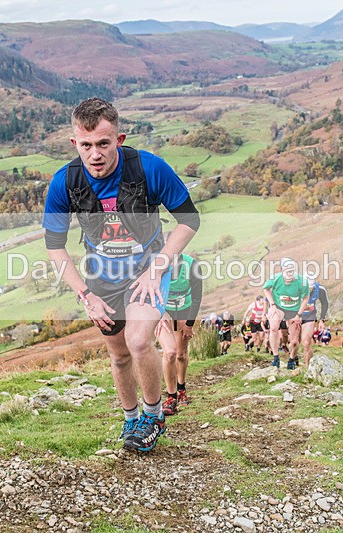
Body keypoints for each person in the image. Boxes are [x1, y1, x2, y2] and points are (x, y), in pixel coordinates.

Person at [42, 97, 200, 453]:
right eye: (86, 145)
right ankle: (131, 420)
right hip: (101, 279)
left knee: (140, 340)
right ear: (74, 143)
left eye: (103, 143)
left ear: (119, 139)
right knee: (118, 356)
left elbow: (189, 220)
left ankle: (153, 415)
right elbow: (55, 246)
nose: (95, 154)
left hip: (149, 268)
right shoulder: (64, 182)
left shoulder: (150, 168)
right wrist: (85, 295)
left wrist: (157, 266)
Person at [156, 253, 204, 416]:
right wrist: (160, 314)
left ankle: (181, 388)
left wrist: (189, 325)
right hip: (163, 311)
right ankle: (171, 397)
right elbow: (149, 289)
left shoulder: (192, 266)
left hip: (184, 309)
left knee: (181, 354)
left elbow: (197, 298)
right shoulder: (156, 263)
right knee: (169, 353)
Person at [263, 258, 309, 369]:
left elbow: (306, 298)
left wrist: (299, 315)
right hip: (278, 307)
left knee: (293, 341)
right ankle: (275, 357)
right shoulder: (276, 278)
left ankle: (292, 359)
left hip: (294, 310)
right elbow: (265, 289)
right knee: (273, 328)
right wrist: (272, 305)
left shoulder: (302, 282)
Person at [291, 275, 329, 367]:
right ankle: (293, 357)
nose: (309, 291)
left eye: (311, 288)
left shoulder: (320, 289)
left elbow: (325, 303)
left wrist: (322, 320)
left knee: (306, 342)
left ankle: (308, 368)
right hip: (295, 315)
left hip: (309, 316)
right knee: (294, 342)